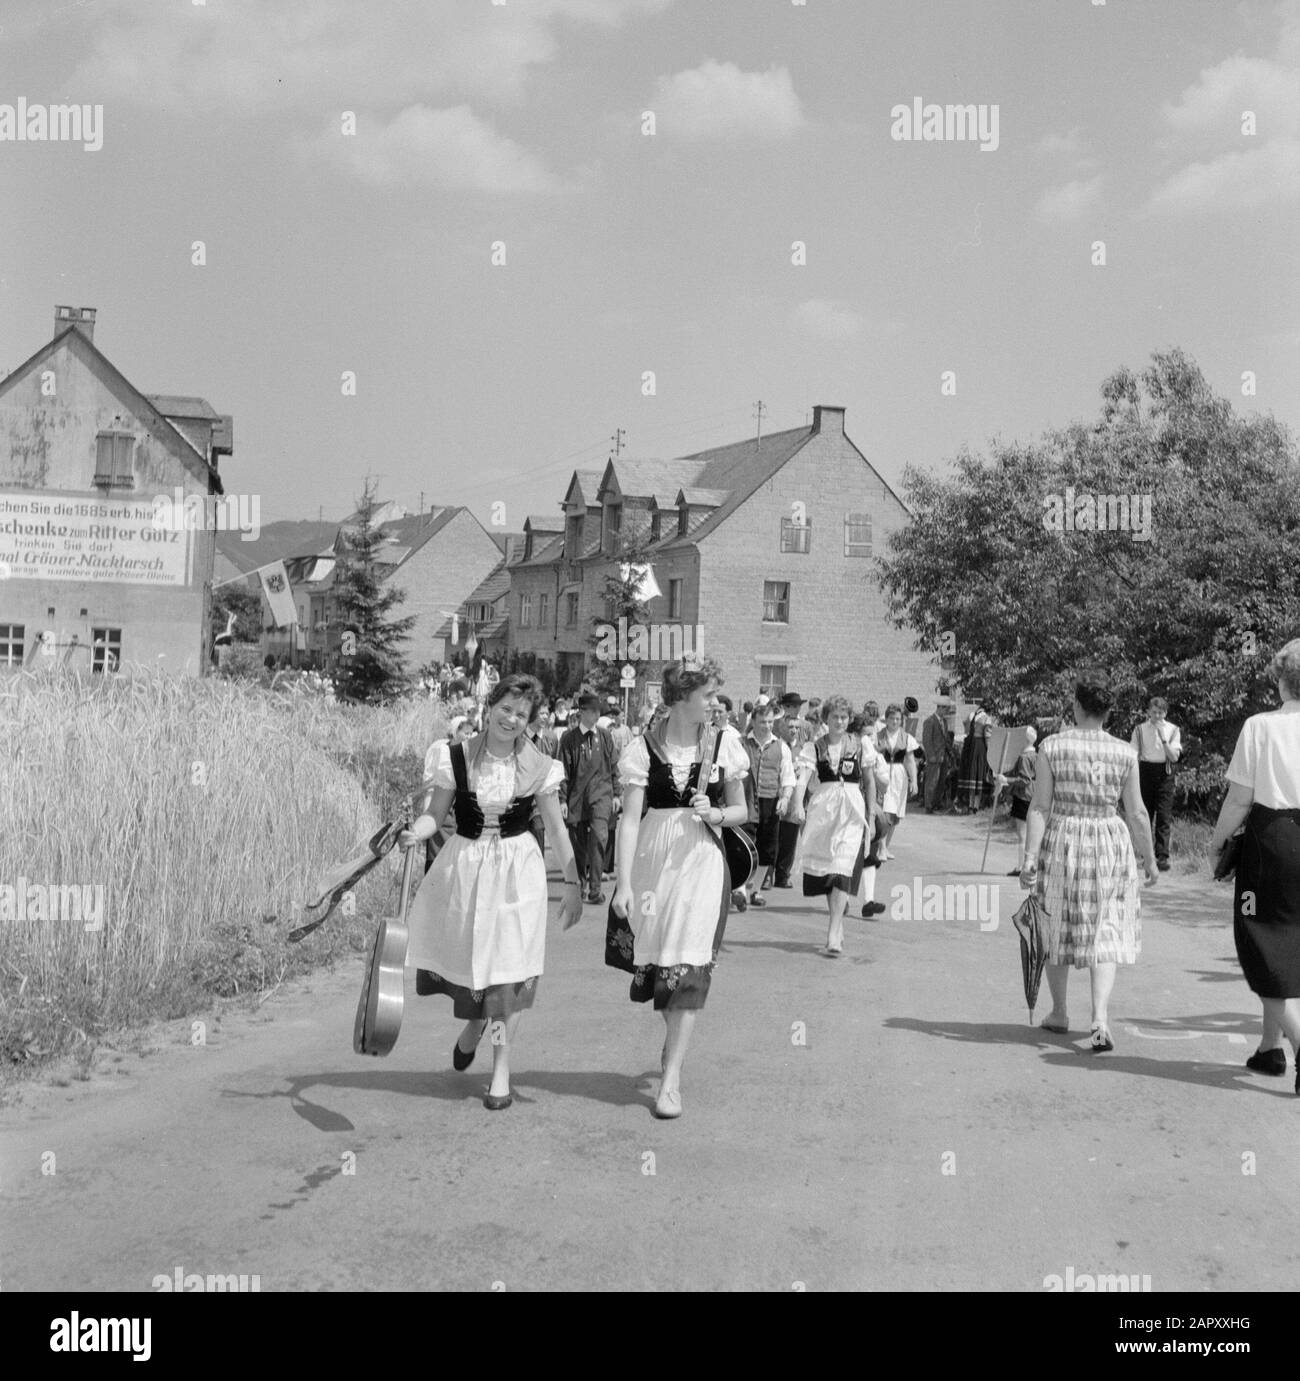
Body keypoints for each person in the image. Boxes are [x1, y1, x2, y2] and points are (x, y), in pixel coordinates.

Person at [400, 674, 583, 1110]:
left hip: (518, 874)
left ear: (530, 722)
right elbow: (435, 816)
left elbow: (556, 828)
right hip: (467, 870)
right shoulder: (455, 757)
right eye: (506, 708)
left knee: (510, 972)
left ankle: (501, 1069)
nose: (512, 719)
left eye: (522, 715)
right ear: (490, 706)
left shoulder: (540, 767)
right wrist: (415, 833)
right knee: (476, 966)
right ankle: (474, 1026)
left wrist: (573, 885)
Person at [609, 658, 749, 1119]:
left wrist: (717, 815)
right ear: (680, 697)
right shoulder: (642, 748)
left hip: (704, 865)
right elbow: (629, 821)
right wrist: (623, 883)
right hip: (654, 866)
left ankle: (671, 1080)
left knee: (690, 967)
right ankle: (673, 1046)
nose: (715, 703)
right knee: (662, 964)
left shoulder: (724, 743)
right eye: (707, 695)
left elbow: (742, 811)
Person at [1019, 670, 1158, 1053]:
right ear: (1109, 711)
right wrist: (1149, 859)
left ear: (1077, 706)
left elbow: (1041, 806)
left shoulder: (1052, 747)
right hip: (1109, 841)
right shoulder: (1125, 753)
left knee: (1054, 923)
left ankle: (1060, 1012)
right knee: (1106, 926)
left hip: (1063, 839)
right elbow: (1138, 813)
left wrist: (1030, 856)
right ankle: (1099, 1017)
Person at [1209, 639, 1300, 1085]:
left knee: (1260, 942)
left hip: (1274, 842)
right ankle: (1270, 1048)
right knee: (1293, 946)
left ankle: (1299, 1044)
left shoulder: (1260, 726)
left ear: (1282, 680)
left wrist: (1217, 841)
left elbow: (1240, 798)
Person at [789, 695, 888, 957]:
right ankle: (837, 922)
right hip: (825, 810)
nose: (840, 722)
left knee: (844, 868)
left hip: (852, 811)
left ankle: (834, 929)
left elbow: (869, 781)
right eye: (835, 717)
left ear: (849, 719)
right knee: (829, 870)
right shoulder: (814, 747)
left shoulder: (860, 744)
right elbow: (803, 779)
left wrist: (871, 812)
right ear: (826, 719)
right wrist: (798, 803)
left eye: (844, 717)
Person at [559, 692, 620, 905]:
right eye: (592, 711)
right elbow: (563, 771)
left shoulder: (604, 736)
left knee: (599, 837)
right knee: (578, 843)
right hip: (576, 797)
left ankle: (596, 889)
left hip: (601, 795)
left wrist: (617, 793)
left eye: (598, 711)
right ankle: (580, 885)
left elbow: (614, 766)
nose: (596, 715)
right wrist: (562, 800)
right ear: (581, 712)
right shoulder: (569, 738)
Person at [740, 699, 796, 905]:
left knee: (767, 849)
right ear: (753, 722)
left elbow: (788, 777)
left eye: (770, 722)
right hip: (746, 801)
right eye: (763, 722)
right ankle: (740, 888)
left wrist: (785, 798)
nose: (767, 726)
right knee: (744, 845)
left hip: (770, 802)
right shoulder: (742, 743)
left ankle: (755, 890)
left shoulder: (781, 747)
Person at [1131, 697, 1181, 872]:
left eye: (1160, 712)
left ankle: (1162, 856)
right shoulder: (1139, 729)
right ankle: (1146, 855)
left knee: (1164, 815)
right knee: (1145, 814)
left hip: (1165, 772)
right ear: (1148, 712)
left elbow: (1175, 757)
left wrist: (1164, 739)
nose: (1157, 716)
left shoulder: (1173, 730)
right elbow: (1132, 754)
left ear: (1165, 713)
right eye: (1154, 712)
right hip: (1145, 771)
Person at [772, 691, 813, 887]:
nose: (796, 710)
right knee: (773, 833)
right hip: (776, 789)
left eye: (798, 706)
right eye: (793, 706)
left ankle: (782, 874)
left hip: (797, 788)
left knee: (789, 835)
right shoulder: (776, 725)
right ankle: (768, 872)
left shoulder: (806, 728)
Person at [876, 703, 919, 861]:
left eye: (898, 719)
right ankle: (880, 847)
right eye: (892, 718)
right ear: (886, 720)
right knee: (884, 811)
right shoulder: (878, 736)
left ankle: (886, 847)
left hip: (899, 777)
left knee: (894, 813)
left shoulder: (906, 738)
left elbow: (910, 760)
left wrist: (914, 780)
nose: (895, 722)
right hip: (882, 773)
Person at [995, 725, 1039, 873]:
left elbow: (1024, 780)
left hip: (1023, 796)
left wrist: (1006, 779)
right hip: (1034, 795)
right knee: (1030, 833)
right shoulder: (1036, 755)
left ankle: (1022, 866)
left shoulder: (1024, 757)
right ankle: (1029, 864)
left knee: (1022, 834)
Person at [957, 702, 993, 812]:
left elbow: (966, 731)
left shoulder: (972, 716)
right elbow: (987, 735)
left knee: (972, 774)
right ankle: (976, 806)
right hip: (980, 747)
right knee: (979, 774)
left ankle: (970, 804)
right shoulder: (986, 718)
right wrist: (990, 749)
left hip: (971, 747)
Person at [921, 702, 952, 812]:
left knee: (941, 781)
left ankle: (936, 803)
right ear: (940, 708)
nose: (946, 712)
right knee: (932, 781)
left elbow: (945, 739)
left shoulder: (944, 722)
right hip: (934, 756)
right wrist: (931, 755)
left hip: (943, 756)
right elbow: (927, 740)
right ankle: (928, 805)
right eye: (946, 709)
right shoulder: (930, 721)